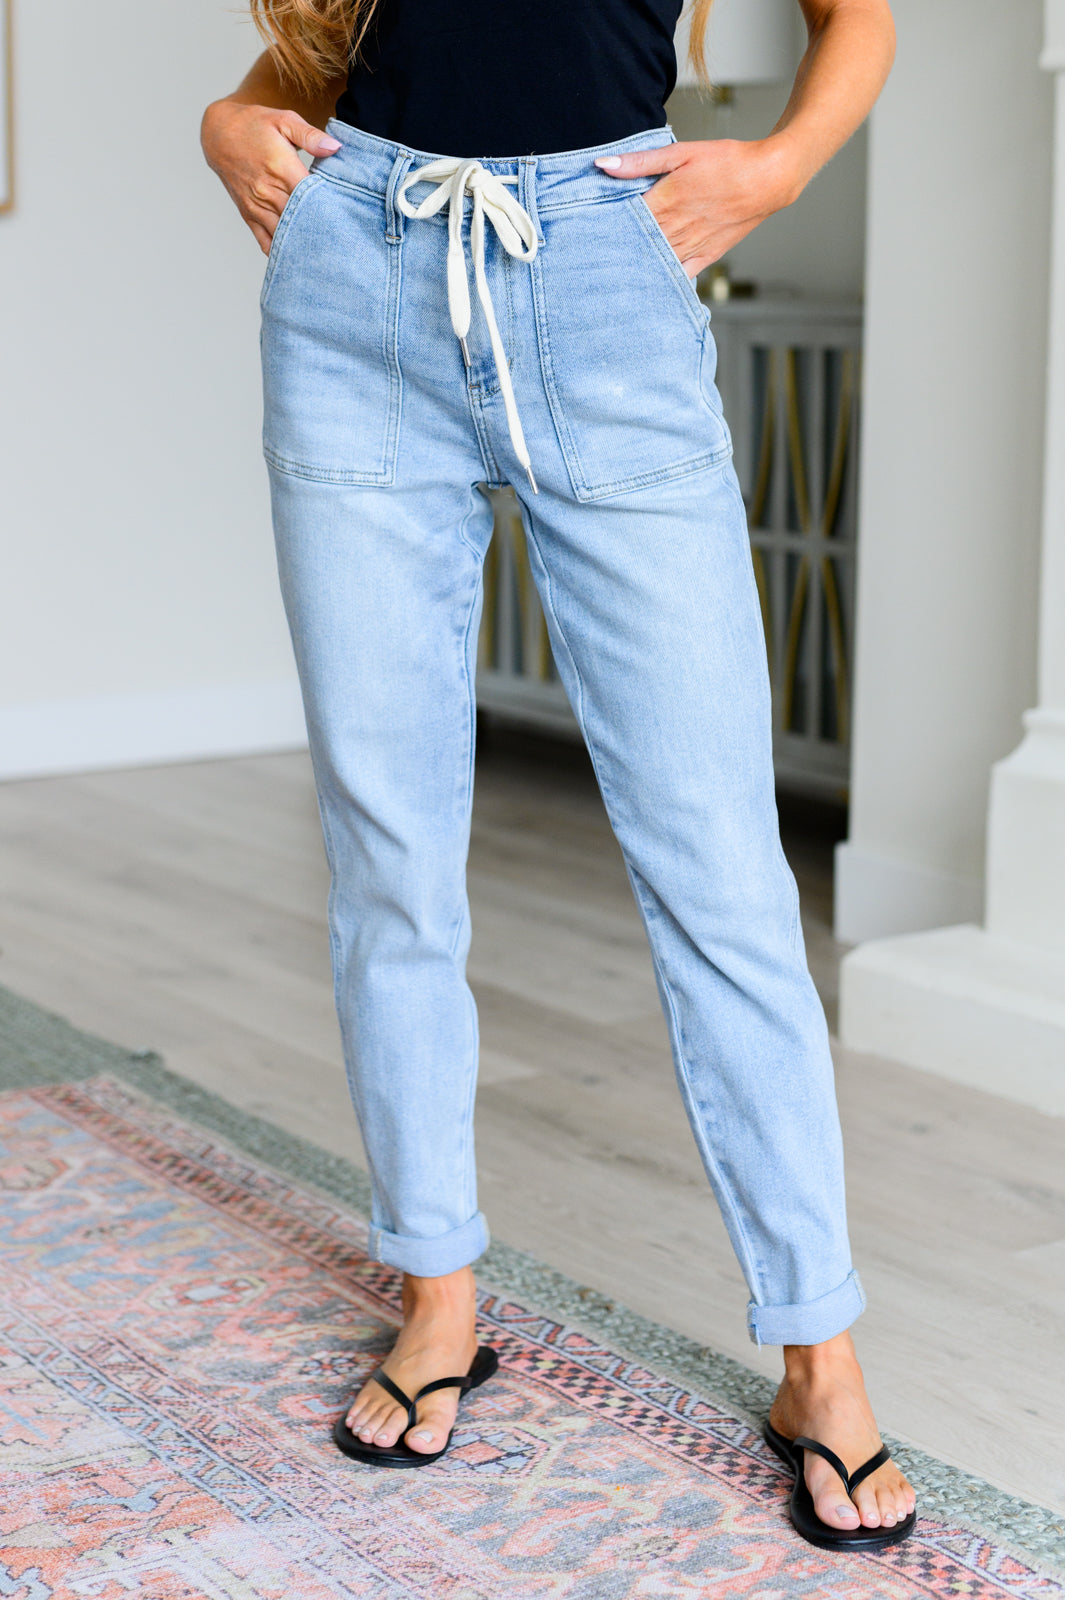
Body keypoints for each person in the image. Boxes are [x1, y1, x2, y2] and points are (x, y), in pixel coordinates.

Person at [201, 0, 915, 1549]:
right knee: (388, 849)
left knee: (717, 864)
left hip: (601, 274)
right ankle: (436, 1293)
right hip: (356, 282)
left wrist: (782, 164)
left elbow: (853, 15)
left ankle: (819, 1353)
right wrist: (224, 120)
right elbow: (342, 44)